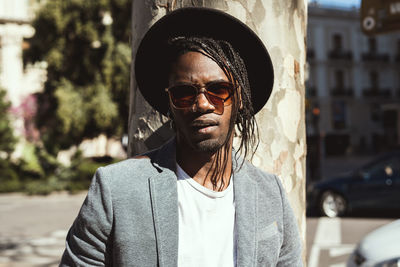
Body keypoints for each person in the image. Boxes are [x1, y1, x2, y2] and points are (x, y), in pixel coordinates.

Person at [60, 7, 303, 267]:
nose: (202, 104)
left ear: (240, 98)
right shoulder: (115, 189)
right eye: (184, 93)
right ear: (170, 103)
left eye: (219, 90)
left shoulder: (270, 193)